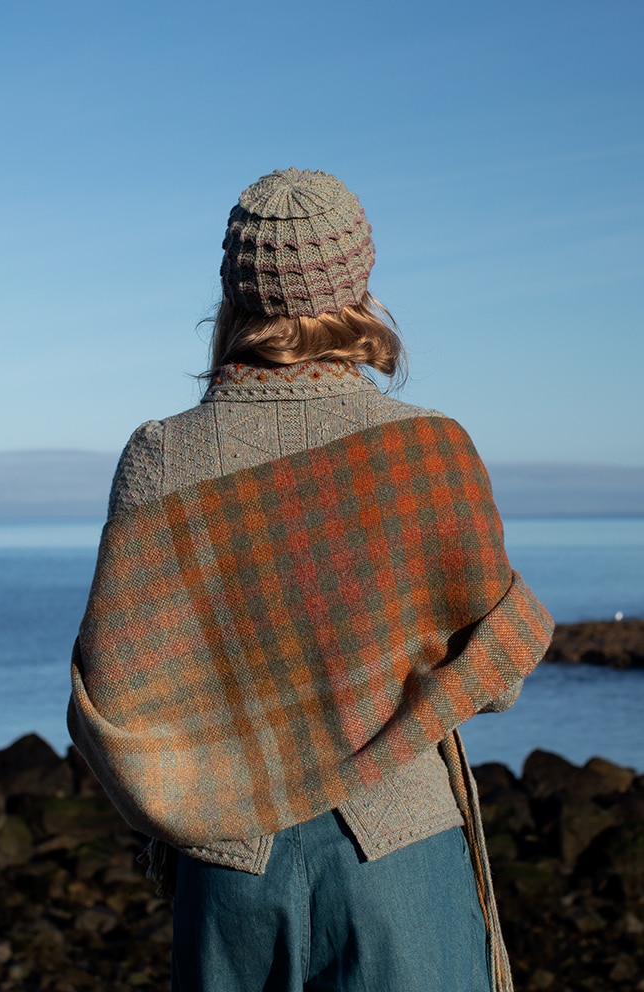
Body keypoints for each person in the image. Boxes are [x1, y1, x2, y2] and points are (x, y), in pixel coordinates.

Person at [68, 168, 553, 992]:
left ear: (236, 289)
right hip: (399, 851)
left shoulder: (160, 457)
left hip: (230, 870)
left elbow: (116, 701)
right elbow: (492, 679)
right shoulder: (427, 449)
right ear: (358, 281)